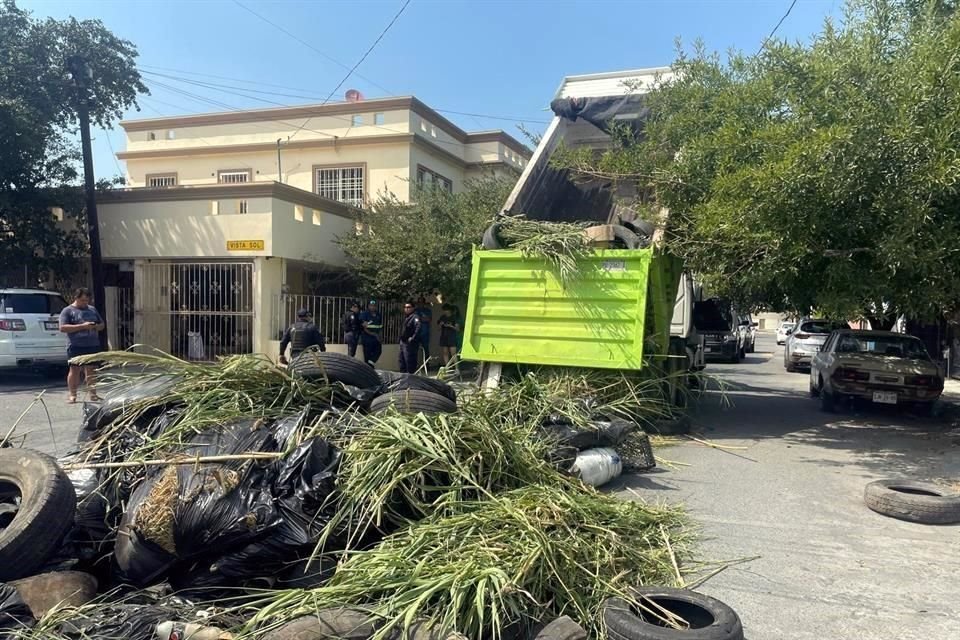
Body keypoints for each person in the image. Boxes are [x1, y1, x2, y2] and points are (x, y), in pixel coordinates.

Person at [58, 287, 105, 404]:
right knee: (75, 370)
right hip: (76, 345)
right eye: (82, 300)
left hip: (92, 344)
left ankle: (93, 394)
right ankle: (72, 395)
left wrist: (95, 326)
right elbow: (62, 328)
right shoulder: (67, 311)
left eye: (87, 300)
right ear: (76, 298)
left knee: (91, 370)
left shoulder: (92, 310)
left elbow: (102, 324)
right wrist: (83, 326)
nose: (85, 303)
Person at [399, 300, 422, 374]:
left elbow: (418, 328)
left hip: (410, 344)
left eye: (409, 307)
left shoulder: (415, 317)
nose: (406, 309)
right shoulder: (406, 317)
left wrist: (412, 338)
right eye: (405, 307)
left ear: (413, 308)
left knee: (409, 362)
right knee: (402, 361)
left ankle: (410, 378)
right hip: (403, 342)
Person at [358, 300, 383, 366]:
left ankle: (370, 365)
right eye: (371, 305)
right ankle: (369, 368)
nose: (372, 307)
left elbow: (380, 326)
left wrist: (380, 336)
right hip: (367, 337)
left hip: (376, 338)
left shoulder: (378, 314)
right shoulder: (364, 314)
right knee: (367, 355)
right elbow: (364, 327)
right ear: (368, 306)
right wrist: (374, 334)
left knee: (378, 351)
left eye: (374, 306)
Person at [437, 303, 461, 371]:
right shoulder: (442, 317)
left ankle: (456, 368)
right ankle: (447, 368)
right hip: (444, 336)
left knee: (453, 353)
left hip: (452, 336)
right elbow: (438, 328)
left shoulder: (454, 317)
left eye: (447, 310)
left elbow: (458, 329)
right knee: (445, 352)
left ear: (450, 310)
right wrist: (441, 325)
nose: (446, 311)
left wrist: (451, 326)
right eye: (444, 310)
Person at [414, 296, 432, 368]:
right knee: (415, 350)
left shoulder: (427, 311)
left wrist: (419, 319)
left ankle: (427, 366)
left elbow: (428, 319)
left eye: (421, 302)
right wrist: (422, 319)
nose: (420, 303)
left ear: (424, 303)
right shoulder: (415, 311)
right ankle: (414, 365)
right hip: (416, 333)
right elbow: (414, 321)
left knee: (426, 350)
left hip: (425, 333)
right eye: (419, 302)